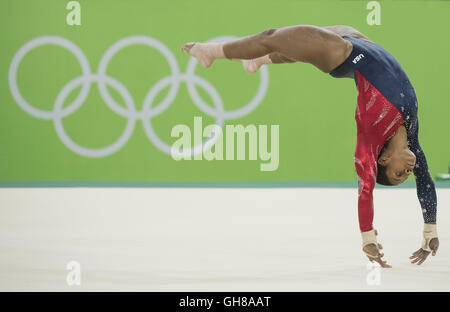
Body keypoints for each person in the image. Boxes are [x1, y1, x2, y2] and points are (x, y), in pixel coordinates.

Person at [182, 25, 438, 267]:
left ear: (383, 161)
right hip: (358, 42)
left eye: (398, 174)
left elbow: (365, 189)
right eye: (406, 175)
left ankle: (210, 52)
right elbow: (425, 182)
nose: (407, 171)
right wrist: (430, 230)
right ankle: (258, 61)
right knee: (301, 48)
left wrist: (368, 238)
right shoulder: (412, 139)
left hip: (343, 55)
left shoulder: (371, 138)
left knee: (271, 37)